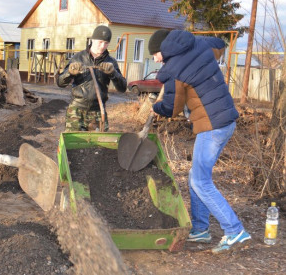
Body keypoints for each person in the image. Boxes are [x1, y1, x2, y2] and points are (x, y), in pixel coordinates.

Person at [148, 29, 251, 254]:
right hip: (225, 120)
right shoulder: (199, 45)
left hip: (212, 126)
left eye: (154, 54)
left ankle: (235, 231)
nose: (155, 59)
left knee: (200, 182)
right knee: (196, 176)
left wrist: (155, 106)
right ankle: (201, 229)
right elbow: (219, 44)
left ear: (163, 50)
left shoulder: (174, 70)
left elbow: (172, 109)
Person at [56, 25, 127, 131]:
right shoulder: (78, 58)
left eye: (106, 43)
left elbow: (123, 88)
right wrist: (69, 73)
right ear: (92, 40)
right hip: (76, 111)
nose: (103, 46)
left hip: (98, 112)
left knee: (98, 146)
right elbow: (60, 83)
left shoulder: (111, 62)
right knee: (73, 144)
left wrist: (113, 73)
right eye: (100, 42)